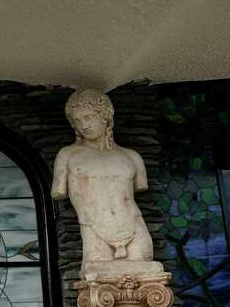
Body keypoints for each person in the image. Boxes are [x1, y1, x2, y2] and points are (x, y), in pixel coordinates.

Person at [52, 88, 155, 279]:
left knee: (149, 274)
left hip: (134, 226)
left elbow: (139, 185)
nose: (84, 125)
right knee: (97, 277)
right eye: (78, 120)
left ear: (105, 116)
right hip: (94, 229)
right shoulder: (67, 156)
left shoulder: (131, 157)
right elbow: (58, 191)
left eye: (89, 117)